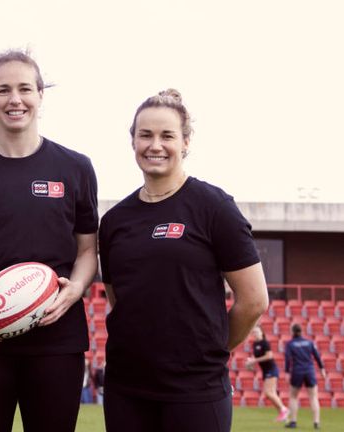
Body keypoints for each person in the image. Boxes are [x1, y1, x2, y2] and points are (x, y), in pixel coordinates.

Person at [0, 49, 98, 432]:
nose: (15, 99)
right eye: (3, 90)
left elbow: (88, 250)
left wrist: (74, 290)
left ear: (41, 95)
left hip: (57, 340)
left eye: (25, 88)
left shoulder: (75, 167)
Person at [98, 89, 268, 432]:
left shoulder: (214, 207)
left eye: (167, 136)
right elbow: (120, 301)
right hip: (127, 388)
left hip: (196, 390)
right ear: (132, 141)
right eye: (145, 135)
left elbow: (253, 301)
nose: (155, 145)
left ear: (186, 142)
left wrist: (210, 352)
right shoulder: (114, 221)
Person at [284, 323, 327, 429]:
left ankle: (293, 421)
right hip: (309, 371)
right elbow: (317, 356)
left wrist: (287, 372)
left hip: (297, 371)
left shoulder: (290, 344)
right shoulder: (309, 343)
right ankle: (316, 422)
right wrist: (322, 369)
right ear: (301, 331)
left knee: (294, 397)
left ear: (292, 332)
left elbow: (288, 359)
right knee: (313, 397)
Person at [246, 326, 289, 422]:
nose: (255, 334)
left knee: (269, 392)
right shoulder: (255, 344)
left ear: (262, 332)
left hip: (271, 370)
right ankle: (283, 414)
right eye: (254, 332)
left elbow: (269, 356)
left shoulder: (264, 343)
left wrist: (254, 360)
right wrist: (250, 364)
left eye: (257, 332)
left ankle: (284, 409)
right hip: (266, 371)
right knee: (271, 393)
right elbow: (255, 360)